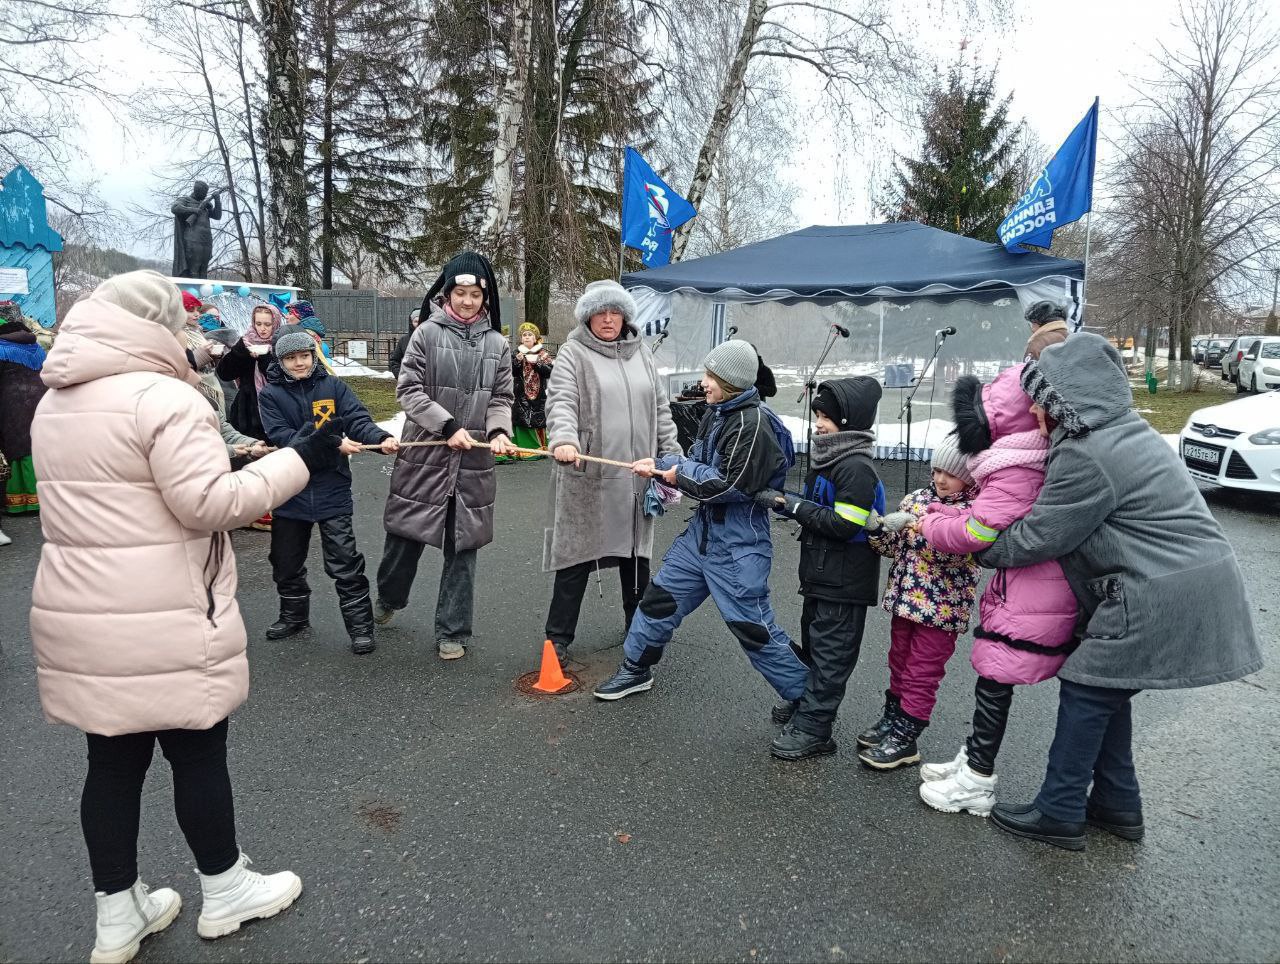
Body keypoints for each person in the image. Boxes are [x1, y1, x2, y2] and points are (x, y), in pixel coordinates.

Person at [28, 270, 343, 962]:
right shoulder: (164, 398)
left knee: (110, 764)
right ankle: (225, 888)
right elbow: (211, 504)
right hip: (162, 609)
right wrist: (301, 459)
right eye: (182, 324)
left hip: (81, 611)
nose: (192, 336)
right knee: (197, 751)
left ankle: (118, 913)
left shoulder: (55, 402)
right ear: (153, 326)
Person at [975, 333, 1262, 851]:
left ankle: (1059, 810)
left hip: (1160, 589)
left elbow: (1044, 534)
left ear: (1064, 400)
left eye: (1042, 398)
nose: (1036, 410)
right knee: (1107, 688)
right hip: (1185, 578)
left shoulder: (1090, 452)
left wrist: (980, 547)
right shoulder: (1123, 431)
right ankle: (1116, 804)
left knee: (1087, 688)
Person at [593, 339, 808, 706]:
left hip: (740, 544)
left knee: (752, 628)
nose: (703, 381)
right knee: (658, 600)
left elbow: (728, 485)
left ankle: (809, 700)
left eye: (711, 375)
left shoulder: (752, 422)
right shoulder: (717, 411)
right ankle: (636, 667)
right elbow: (695, 459)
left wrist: (676, 473)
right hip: (702, 536)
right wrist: (661, 465)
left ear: (731, 380)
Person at [914, 367, 1078, 816]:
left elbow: (974, 532)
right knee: (992, 678)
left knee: (995, 676)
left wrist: (931, 521)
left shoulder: (1016, 468)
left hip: (1031, 594)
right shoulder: (1026, 458)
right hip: (1026, 585)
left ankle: (977, 780)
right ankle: (974, 758)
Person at [375, 251, 516, 661]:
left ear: (485, 298)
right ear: (447, 293)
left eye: (476, 294)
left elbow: (502, 397)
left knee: (464, 547)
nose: (468, 301)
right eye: (460, 292)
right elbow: (409, 391)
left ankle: (452, 630)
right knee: (405, 537)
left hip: (473, 464)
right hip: (427, 456)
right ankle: (388, 597)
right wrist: (448, 426)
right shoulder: (426, 334)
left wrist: (500, 431)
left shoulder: (498, 344)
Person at [542, 281, 680, 664]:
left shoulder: (643, 355)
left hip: (637, 477)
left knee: (636, 556)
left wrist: (671, 456)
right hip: (589, 475)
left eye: (615, 311)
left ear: (625, 316)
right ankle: (557, 639)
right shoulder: (573, 354)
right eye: (600, 312)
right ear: (588, 316)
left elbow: (660, 411)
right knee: (576, 557)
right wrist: (565, 440)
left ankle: (637, 626)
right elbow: (562, 402)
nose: (607, 319)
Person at [755, 377, 886, 761]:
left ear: (849, 422)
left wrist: (791, 506)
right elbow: (820, 511)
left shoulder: (856, 467)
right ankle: (807, 705)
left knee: (832, 655)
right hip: (821, 577)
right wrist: (785, 501)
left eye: (827, 416)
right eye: (816, 413)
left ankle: (817, 728)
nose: (818, 422)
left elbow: (845, 526)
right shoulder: (830, 459)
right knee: (815, 645)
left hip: (845, 581)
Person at [258, 326, 399, 655]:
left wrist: (379, 439)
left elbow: (357, 419)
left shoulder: (333, 386)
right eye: (291, 358)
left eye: (304, 356)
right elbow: (285, 436)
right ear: (280, 362)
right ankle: (294, 616)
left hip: (331, 489)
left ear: (313, 355)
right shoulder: (270, 396)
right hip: (290, 488)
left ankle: (361, 628)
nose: (299, 363)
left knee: (345, 562)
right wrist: (335, 443)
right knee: (285, 560)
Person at [860, 435, 981, 770]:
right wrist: (877, 531)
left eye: (951, 473)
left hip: (940, 612)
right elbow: (892, 548)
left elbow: (949, 554)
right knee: (899, 662)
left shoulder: (973, 512)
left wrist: (912, 526)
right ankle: (892, 719)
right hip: (905, 605)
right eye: (937, 469)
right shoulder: (916, 498)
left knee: (922, 673)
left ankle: (906, 737)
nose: (941, 478)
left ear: (969, 478)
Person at [217, 303, 283, 530]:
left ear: (275, 323)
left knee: (273, 459)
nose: (263, 329)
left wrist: (264, 359)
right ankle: (253, 511)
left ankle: (273, 507)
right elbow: (225, 372)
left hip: (274, 410)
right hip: (247, 409)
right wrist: (242, 352)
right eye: (258, 323)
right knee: (250, 460)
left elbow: (281, 377)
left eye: (267, 324)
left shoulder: (280, 344)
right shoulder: (244, 342)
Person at [0, 303, 47, 518]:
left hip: (9, 402)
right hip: (40, 399)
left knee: (15, 449)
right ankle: (42, 498)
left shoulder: (1, 347)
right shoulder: (36, 346)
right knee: (35, 445)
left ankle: (20, 501)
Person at [509, 322, 555, 460]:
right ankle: (522, 451)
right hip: (521, 395)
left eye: (530, 335)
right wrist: (517, 362)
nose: (527, 337)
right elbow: (512, 371)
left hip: (538, 395)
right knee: (521, 420)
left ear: (535, 338)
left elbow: (550, 372)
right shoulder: (516, 353)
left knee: (537, 420)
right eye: (524, 335)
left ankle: (538, 449)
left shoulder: (543, 354)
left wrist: (537, 364)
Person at [170, 181, 222, 278]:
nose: (205, 195)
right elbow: (175, 208)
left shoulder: (205, 204)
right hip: (192, 239)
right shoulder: (186, 200)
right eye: (204, 193)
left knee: (204, 268)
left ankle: (203, 292)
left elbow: (217, 216)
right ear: (197, 191)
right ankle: (193, 292)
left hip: (206, 239)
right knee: (194, 267)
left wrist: (217, 200)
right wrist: (193, 210)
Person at [388, 308, 421, 379]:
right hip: (409, 383)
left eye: (421, 321)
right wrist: (401, 376)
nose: (418, 324)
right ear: (411, 322)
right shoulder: (404, 340)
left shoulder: (431, 339)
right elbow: (394, 361)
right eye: (416, 321)